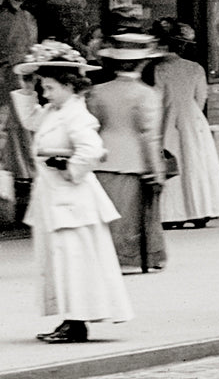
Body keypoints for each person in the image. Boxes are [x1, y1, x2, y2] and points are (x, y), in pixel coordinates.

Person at [13, 40, 133, 343]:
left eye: (50, 88)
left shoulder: (77, 115)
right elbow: (30, 120)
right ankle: (70, 319)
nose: (45, 94)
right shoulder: (53, 111)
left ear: (69, 86)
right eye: (43, 88)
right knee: (62, 261)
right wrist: (26, 90)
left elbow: (91, 150)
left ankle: (76, 322)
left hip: (73, 202)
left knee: (74, 261)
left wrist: (68, 167)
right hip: (55, 199)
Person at [88, 34, 167, 273]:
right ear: (142, 63)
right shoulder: (147, 94)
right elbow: (149, 135)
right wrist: (156, 169)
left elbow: (92, 126)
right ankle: (129, 258)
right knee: (130, 215)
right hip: (133, 161)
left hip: (102, 159)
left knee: (105, 213)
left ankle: (102, 258)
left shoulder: (98, 91)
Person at [152, 19, 219, 229]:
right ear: (182, 46)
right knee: (196, 165)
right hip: (193, 121)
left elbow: (157, 98)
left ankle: (173, 214)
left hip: (167, 121)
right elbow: (200, 99)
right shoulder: (195, 69)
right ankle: (200, 210)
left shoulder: (159, 70)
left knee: (173, 165)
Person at [0, 0, 38, 223]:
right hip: (7, 77)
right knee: (9, 125)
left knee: (23, 125)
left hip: (24, 76)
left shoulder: (27, 16)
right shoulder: (5, 16)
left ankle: (24, 172)